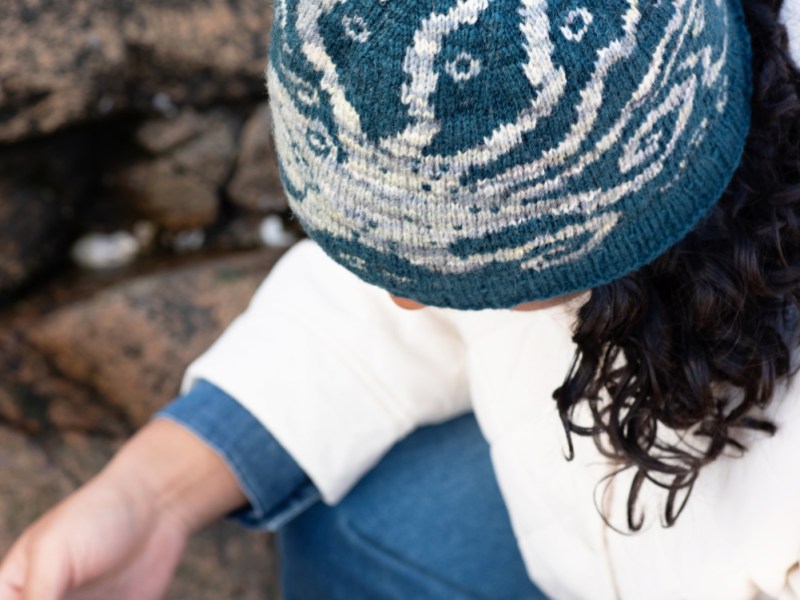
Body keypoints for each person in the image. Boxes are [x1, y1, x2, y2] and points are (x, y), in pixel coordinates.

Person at [2, 0, 800, 598]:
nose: (403, 300)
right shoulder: (577, 164)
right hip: (597, 524)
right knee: (360, 526)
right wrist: (150, 497)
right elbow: (373, 309)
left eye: (456, 280)